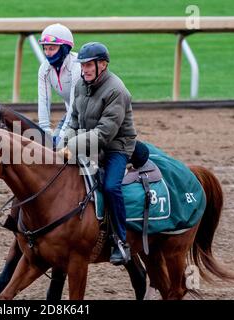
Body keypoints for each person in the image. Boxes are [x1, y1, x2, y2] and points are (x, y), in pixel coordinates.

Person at [62, 42, 137, 265]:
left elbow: (105, 134)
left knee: (110, 186)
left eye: (88, 65)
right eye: (82, 65)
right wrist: (64, 141)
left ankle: (120, 241)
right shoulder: (80, 85)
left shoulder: (117, 90)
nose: (84, 69)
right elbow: (73, 120)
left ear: (102, 65)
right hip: (88, 143)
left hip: (116, 148)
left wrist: (73, 146)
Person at [37, 23, 81, 148]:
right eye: (45, 48)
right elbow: (44, 100)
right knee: (49, 147)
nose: (47, 53)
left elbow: (74, 104)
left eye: (52, 48)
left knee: (60, 145)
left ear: (64, 48)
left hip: (87, 115)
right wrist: (44, 130)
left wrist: (62, 135)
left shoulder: (77, 67)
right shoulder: (44, 68)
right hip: (70, 114)